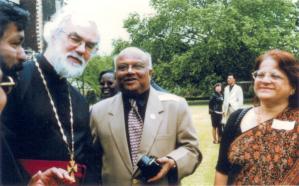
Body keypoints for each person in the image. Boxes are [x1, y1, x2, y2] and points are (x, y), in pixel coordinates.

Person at [2, 4, 101, 185]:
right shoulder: (13, 82)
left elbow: (89, 159)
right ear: (53, 34)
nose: (81, 49)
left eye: (89, 46)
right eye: (75, 39)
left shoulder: (79, 100)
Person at [90, 47, 202, 186]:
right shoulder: (98, 111)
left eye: (137, 66)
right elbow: (92, 161)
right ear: (116, 74)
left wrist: (173, 161)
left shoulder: (175, 106)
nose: (130, 71)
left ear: (150, 72)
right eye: (123, 67)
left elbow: (192, 150)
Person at [214, 49, 299, 185]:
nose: (265, 80)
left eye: (275, 76)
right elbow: (222, 170)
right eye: (260, 75)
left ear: (292, 87)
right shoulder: (237, 118)